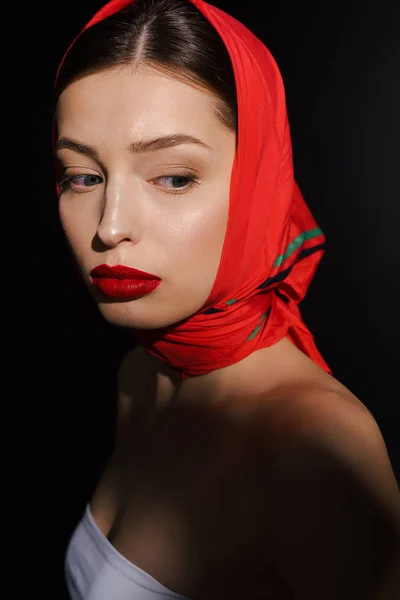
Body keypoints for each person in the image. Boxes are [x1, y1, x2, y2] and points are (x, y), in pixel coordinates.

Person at [52, 0, 400, 598]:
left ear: (260, 183)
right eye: (83, 176)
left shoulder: (314, 445)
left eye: (174, 177)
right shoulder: (140, 376)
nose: (109, 227)